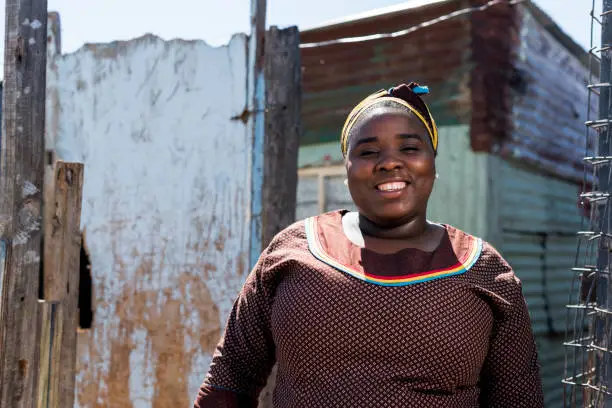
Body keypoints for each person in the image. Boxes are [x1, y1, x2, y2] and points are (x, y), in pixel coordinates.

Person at [194, 83, 544, 407]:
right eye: (368, 151)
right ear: (346, 168)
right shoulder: (293, 250)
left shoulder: (485, 270)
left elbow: (518, 399)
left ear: (433, 164)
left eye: (409, 148)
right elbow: (230, 378)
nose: (389, 162)